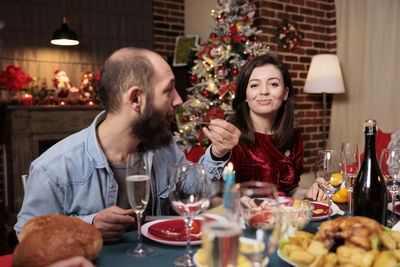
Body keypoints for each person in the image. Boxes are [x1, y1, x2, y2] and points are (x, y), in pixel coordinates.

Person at [14, 47, 241, 243]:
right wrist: (87, 225)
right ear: (135, 99)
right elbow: (26, 234)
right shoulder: (53, 168)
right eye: (168, 90)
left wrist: (217, 152)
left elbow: (190, 190)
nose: (178, 100)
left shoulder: (163, 146)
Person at [229, 53, 325, 200]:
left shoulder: (294, 137)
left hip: (281, 219)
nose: (264, 91)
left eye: (273, 84)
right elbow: (215, 196)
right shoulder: (230, 136)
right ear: (245, 95)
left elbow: (290, 190)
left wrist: (308, 193)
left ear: (285, 93)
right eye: (254, 85)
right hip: (240, 220)